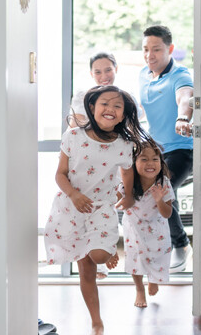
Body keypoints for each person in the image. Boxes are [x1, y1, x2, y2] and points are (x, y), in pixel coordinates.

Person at [44, 85, 149, 335]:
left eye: (117, 106)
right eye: (105, 103)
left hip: (101, 207)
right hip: (72, 206)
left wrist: (128, 195)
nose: (110, 109)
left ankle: (107, 247)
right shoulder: (73, 136)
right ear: (92, 107)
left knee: (100, 257)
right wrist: (74, 194)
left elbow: (127, 170)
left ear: (123, 115)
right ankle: (96, 321)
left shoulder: (124, 144)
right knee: (86, 269)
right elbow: (59, 174)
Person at [67, 52, 137, 279]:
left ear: (116, 69)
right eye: (98, 71)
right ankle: (96, 259)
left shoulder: (125, 98)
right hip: (87, 160)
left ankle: (105, 250)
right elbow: (75, 122)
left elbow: (131, 129)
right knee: (85, 208)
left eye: (108, 70)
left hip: (114, 158)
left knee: (108, 204)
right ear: (91, 74)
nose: (103, 75)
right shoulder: (83, 96)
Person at [137, 25, 193, 273]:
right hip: (155, 150)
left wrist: (183, 118)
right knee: (164, 191)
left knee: (160, 187)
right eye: (146, 49)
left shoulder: (180, 75)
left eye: (156, 49)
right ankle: (165, 247)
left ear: (170, 49)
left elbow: (186, 97)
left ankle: (181, 244)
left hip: (182, 149)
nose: (150, 55)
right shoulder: (143, 75)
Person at [116, 140, 174, 308]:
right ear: (133, 163)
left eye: (155, 159)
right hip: (134, 228)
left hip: (158, 229)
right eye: (144, 159)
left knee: (158, 256)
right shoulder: (128, 183)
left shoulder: (163, 183)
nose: (150, 164)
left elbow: (167, 213)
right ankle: (139, 289)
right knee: (136, 259)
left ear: (161, 163)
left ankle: (154, 279)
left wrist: (159, 200)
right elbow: (117, 199)